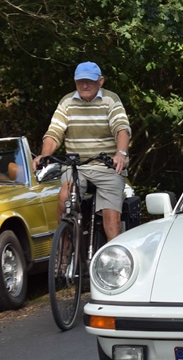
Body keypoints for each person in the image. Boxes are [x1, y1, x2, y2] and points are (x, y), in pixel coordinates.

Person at [34, 62, 131, 241]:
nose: (85, 85)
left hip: (107, 166)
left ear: (100, 81)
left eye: (90, 81)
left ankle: (113, 256)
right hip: (76, 166)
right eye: (80, 81)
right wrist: (45, 156)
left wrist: (120, 154)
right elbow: (54, 133)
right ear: (75, 81)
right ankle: (63, 247)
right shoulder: (67, 102)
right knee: (64, 197)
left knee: (111, 220)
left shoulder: (110, 100)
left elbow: (121, 129)